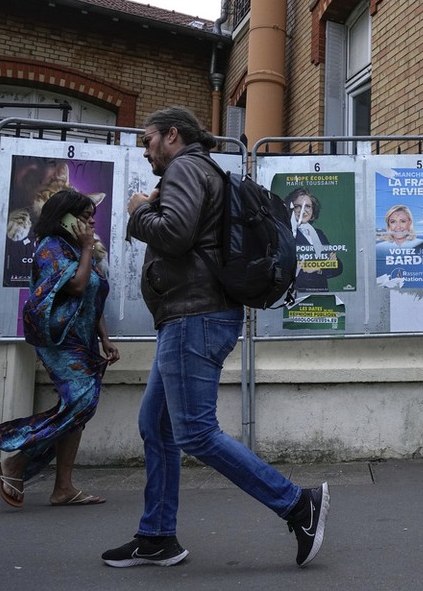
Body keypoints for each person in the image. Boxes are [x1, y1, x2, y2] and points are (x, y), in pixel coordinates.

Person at [106, 106, 328, 569]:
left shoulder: (186, 167)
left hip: (195, 317)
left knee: (195, 432)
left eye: (148, 141)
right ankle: (157, 536)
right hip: (191, 317)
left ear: (171, 136)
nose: (145, 150)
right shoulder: (205, 170)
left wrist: (140, 210)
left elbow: (175, 234)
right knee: (157, 425)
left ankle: (296, 504)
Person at [0, 189, 119, 508]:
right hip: (59, 340)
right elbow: (75, 285)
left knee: (78, 411)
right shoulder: (51, 248)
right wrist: (88, 247)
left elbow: (92, 295)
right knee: (82, 401)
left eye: (92, 216)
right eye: (85, 215)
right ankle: (15, 460)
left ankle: (63, 487)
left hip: (83, 339)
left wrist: (104, 337)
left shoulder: (78, 248)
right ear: (65, 216)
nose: (91, 220)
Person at [285, 186, 342, 292]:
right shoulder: (287, 234)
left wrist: (318, 268)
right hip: (297, 294)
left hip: (322, 293)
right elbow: (287, 269)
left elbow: (338, 267)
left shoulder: (318, 234)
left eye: (308, 206)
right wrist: (323, 265)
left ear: (312, 210)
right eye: (298, 206)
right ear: (291, 209)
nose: (303, 211)